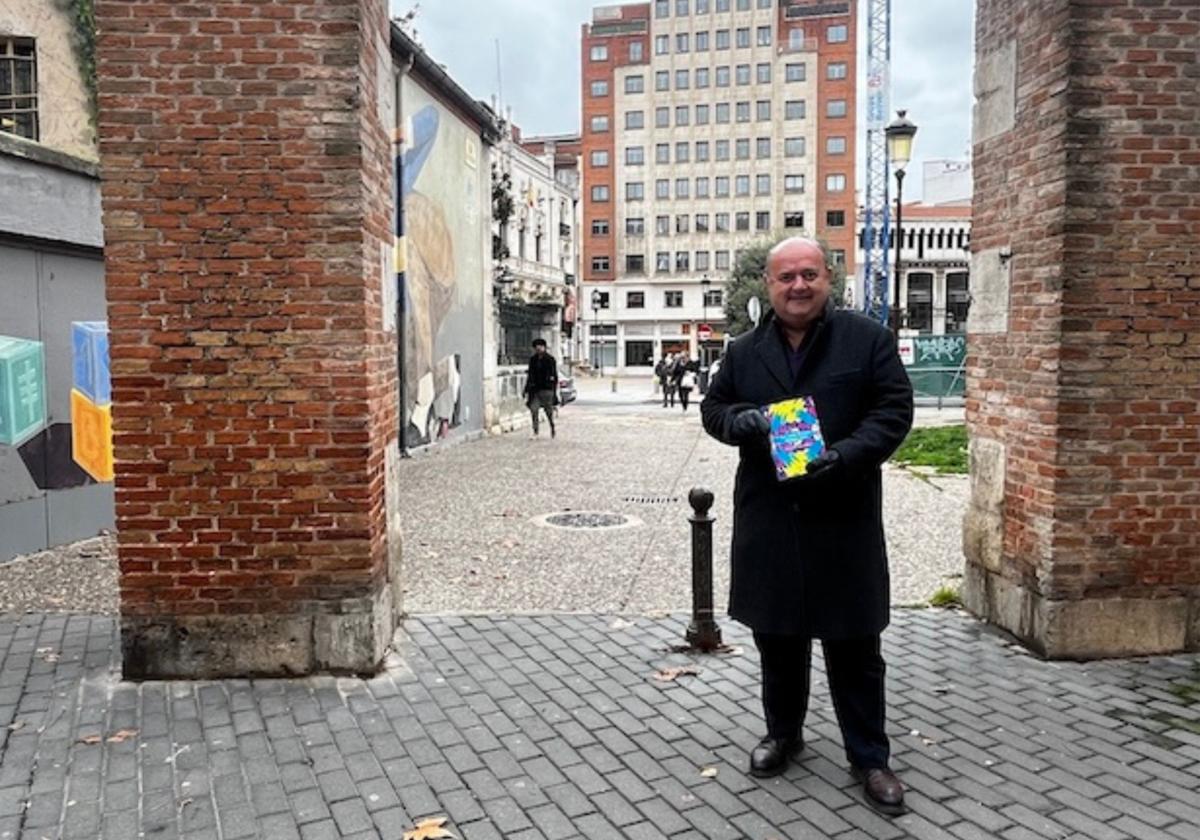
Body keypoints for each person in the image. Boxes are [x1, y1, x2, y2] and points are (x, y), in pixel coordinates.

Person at [700, 237, 913, 816]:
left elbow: (894, 412)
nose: (798, 286)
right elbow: (713, 411)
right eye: (786, 277)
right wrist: (744, 421)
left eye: (809, 275)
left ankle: (870, 757)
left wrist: (844, 456)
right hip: (771, 519)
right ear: (768, 286)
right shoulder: (744, 350)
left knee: (855, 646)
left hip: (843, 516)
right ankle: (783, 734)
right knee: (778, 639)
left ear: (828, 280)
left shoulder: (866, 339)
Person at [524, 338, 558, 439]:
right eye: (536, 347)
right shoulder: (533, 360)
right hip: (535, 390)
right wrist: (526, 389)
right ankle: (535, 431)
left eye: (540, 346)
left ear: (544, 347)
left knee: (548, 411)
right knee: (534, 410)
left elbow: (554, 376)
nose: (538, 348)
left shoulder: (550, 359)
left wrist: (553, 389)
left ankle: (552, 426)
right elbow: (530, 375)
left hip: (546, 389)